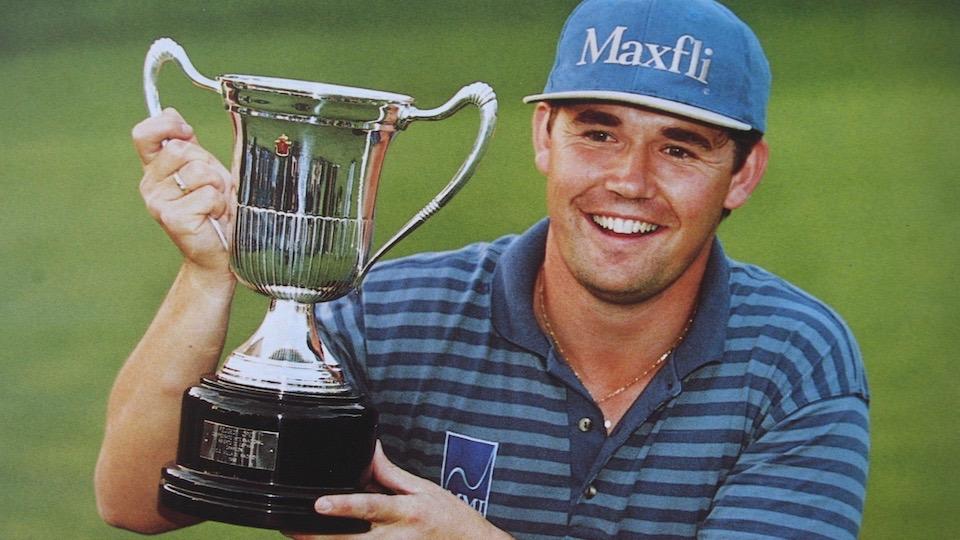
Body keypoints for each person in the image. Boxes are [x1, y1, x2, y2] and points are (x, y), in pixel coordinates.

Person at [95, 0, 870, 538]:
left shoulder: (795, 359)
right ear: (544, 137)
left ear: (742, 173)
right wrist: (207, 274)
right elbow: (133, 498)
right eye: (598, 133)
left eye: (679, 147)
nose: (630, 180)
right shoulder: (392, 316)